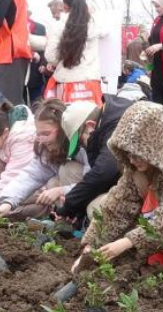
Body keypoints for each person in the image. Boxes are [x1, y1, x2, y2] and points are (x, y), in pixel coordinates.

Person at [74, 101, 163, 268]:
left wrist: (126, 242)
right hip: (152, 229)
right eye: (128, 153)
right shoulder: (136, 168)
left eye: (138, 154)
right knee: (99, 206)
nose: (132, 160)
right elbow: (117, 207)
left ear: (156, 148)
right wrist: (90, 246)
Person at [0, 100, 89, 218]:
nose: (41, 139)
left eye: (46, 133)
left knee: (66, 170)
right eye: (38, 134)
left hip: (91, 190)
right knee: (52, 183)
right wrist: (7, 203)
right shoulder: (45, 148)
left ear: (63, 129)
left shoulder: (83, 143)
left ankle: (81, 218)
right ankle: (68, 217)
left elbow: (93, 181)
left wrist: (61, 190)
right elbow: (31, 176)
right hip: (73, 190)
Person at [50, 95, 137, 224]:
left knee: (95, 208)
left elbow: (103, 173)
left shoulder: (115, 126)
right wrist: (77, 206)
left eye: (81, 141)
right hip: (136, 182)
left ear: (90, 125)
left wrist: (69, 205)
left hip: (150, 190)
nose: (84, 146)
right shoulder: (110, 119)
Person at [44, 0, 106, 105]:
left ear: (65, 5)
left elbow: (51, 57)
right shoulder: (95, 24)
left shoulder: (59, 26)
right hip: (91, 83)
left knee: (65, 121)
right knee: (92, 120)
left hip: (66, 82)